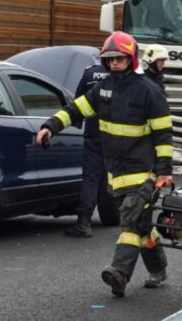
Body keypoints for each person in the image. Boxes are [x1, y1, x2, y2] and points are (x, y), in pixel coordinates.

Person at [35, 31, 174, 297]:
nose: (113, 64)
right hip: (117, 174)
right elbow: (77, 109)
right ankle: (159, 269)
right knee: (143, 227)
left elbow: (163, 134)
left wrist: (164, 171)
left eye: (119, 59)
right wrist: (51, 126)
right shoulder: (103, 88)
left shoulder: (149, 92)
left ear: (131, 59)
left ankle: (119, 273)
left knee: (130, 220)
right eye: (109, 60)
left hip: (144, 172)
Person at [63, 62, 109, 238]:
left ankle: (84, 223)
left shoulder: (90, 73)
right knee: (125, 176)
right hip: (119, 133)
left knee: (91, 178)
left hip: (94, 132)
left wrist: (77, 123)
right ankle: (134, 223)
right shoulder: (125, 74)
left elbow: (78, 101)